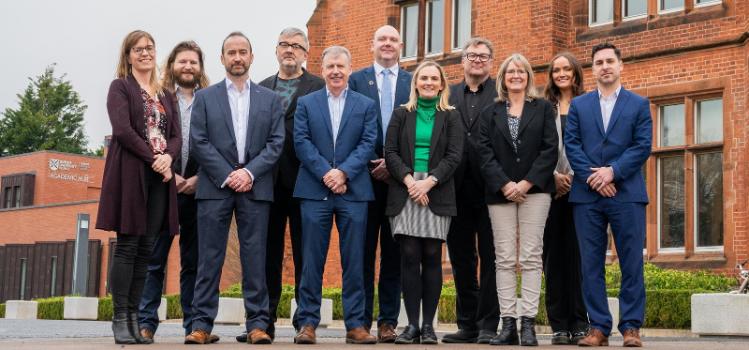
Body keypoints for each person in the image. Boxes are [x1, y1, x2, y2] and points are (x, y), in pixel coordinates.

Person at [186, 31, 284, 345]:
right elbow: (198, 141)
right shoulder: (205, 97)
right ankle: (201, 325)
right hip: (216, 187)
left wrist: (249, 173)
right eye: (231, 52)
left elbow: (276, 142)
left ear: (252, 57)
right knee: (209, 257)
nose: (237, 57)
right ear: (223, 58)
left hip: (255, 187)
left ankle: (257, 324)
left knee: (256, 258)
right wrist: (228, 174)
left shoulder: (271, 99)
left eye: (243, 52)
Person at [233, 27, 324, 343]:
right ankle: (263, 321)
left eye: (296, 46)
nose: (290, 50)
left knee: (305, 255)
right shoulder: (258, 89)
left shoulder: (319, 87)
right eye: (284, 44)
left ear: (305, 53)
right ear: (275, 50)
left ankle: (305, 322)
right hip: (266, 185)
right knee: (266, 255)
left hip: (305, 184)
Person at [97, 30, 181, 345]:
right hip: (131, 173)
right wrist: (155, 158)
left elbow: (176, 135)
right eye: (137, 49)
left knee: (147, 248)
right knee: (129, 245)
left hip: (159, 179)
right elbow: (123, 130)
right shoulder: (120, 87)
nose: (145, 53)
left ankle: (135, 318)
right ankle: (120, 318)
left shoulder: (166, 93)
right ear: (128, 55)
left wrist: (169, 157)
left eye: (149, 48)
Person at [565, 42, 651, 348]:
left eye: (609, 61)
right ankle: (598, 327)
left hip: (626, 193)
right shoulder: (579, 106)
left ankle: (631, 328)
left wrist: (611, 172)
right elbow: (572, 145)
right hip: (587, 196)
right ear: (593, 68)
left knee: (631, 262)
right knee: (590, 263)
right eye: (598, 62)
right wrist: (594, 177)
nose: (605, 66)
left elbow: (642, 146)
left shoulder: (639, 104)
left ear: (620, 65)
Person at [293, 45, 378, 345]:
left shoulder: (366, 105)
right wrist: (326, 174)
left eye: (341, 66)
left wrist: (343, 173)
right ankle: (307, 323)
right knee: (311, 260)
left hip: (353, 191)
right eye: (330, 66)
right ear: (323, 69)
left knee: (355, 261)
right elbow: (301, 141)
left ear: (350, 69)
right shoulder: (307, 103)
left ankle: (356, 325)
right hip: (314, 191)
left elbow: (368, 143)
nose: (336, 71)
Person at [476, 53, 558, 346]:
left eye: (520, 71)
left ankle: (528, 325)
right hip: (500, 194)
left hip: (535, 191)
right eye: (510, 71)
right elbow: (483, 153)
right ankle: (508, 324)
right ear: (503, 77)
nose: (515, 75)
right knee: (505, 258)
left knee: (532, 257)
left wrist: (525, 182)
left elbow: (550, 149)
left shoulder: (544, 109)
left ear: (527, 76)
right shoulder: (490, 112)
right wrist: (505, 184)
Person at [383, 61, 464, 345]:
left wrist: (429, 182)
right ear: (415, 83)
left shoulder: (452, 117)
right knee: (409, 255)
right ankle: (412, 326)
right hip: (405, 189)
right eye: (423, 78)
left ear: (442, 84)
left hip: (436, 190)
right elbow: (390, 152)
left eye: (434, 78)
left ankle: (429, 326)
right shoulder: (400, 114)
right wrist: (410, 182)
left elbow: (454, 155)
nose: (429, 82)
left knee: (432, 255)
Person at [135, 40, 209, 343]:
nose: (188, 67)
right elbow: (146, 137)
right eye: (182, 62)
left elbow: (224, 146)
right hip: (163, 188)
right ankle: (146, 323)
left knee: (194, 262)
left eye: (193, 62)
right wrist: (170, 173)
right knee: (154, 260)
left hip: (200, 191)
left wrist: (200, 179)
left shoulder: (211, 99)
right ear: (172, 65)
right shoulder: (158, 98)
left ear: (200, 67)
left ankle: (194, 325)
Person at [348, 24, 412, 342]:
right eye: (381, 39)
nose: (387, 44)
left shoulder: (414, 82)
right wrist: (373, 160)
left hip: (400, 181)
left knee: (394, 253)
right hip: (363, 178)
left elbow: (420, 131)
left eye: (392, 40)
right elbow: (348, 127)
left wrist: (395, 164)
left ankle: (387, 321)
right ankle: (358, 321)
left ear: (401, 45)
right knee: (361, 251)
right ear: (371, 44)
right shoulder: (356, 80)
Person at [443, 37, 500, 344]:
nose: (477, 60)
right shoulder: (447, 94)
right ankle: (467, 324)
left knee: (492, 258)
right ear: (461, 61)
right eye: (471, 55)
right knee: (462, 258)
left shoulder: (502, 93)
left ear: (491, 62)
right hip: (455, 189)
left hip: (492, 189)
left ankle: (489, 324)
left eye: (483, 56)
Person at [541, 51, 590, 346]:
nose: (561, 74)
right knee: (553, 258)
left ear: (575, 73)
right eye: (556, 70)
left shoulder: (588, 105)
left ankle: (581, 322)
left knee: (581, 258)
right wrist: (553, 177)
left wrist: (576, 177)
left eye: (566, 69)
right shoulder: (544, 108)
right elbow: (536, 148)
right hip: (551, 190)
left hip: (582, 188)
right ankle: (559, 325)